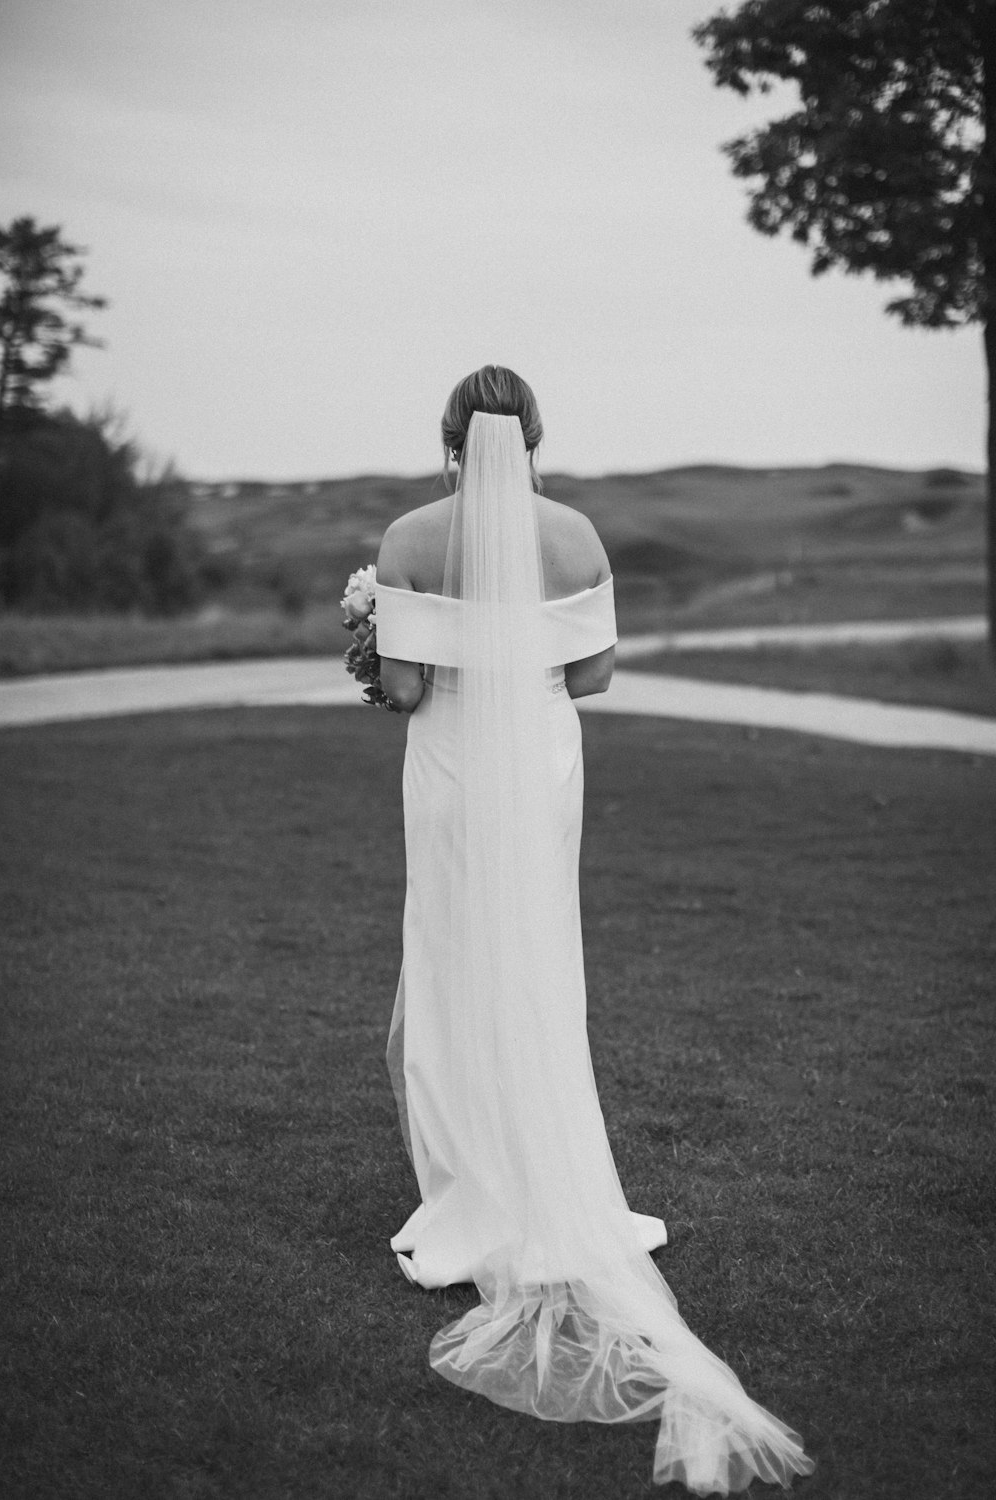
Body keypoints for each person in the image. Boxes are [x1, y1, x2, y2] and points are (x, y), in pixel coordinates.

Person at [373, 366, 814, 1494]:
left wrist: (369, 651)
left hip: (456, 764)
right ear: (532, 438)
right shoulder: (575, 534)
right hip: (545, 759)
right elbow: (596, 675)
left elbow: (411, 692)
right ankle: (549, 1174)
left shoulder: (413, 536)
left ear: (448, 441)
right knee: (537, 960)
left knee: (456, 954)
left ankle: (475, 1191)